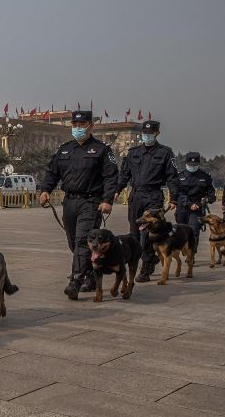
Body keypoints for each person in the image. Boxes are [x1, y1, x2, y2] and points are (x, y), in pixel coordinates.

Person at [39, 110, 118, 300]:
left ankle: (75, 281)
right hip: (70, 202)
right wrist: (45, 190)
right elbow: (52, 173)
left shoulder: (102, 150)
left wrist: (107, 200)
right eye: (74, 125)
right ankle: (90, 274)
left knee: (83, 241)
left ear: (91, 126)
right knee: (73, 241)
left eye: (81, 125)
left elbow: (111, 176)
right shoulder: (64, 149)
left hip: (91, 202)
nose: (77, 128)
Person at [115, 120, 179, 282]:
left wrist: (174, 198)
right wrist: (116, 190)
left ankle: (147, 265)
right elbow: (124, 175)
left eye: (150, 133)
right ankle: (144, 259)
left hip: (153, 196)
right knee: (135, 233)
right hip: (136, 195)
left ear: (157, 134)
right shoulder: (133, 152)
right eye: (145, 133)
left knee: (148, 234)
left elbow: (172, 177)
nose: (147, 136)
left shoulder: (165, 153)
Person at [175, 152, 216, 253]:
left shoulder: (205, 176)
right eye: (190, 165)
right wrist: (189, 204)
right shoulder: (179, 177)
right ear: (186, 163)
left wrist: (206, 200)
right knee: (182, 231)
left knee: (194, 231)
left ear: (198, 164)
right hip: (183, 208)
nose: (192, 167)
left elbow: (211, 194)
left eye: (194, 165)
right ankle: (184, 250)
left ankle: (191, 253)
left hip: (197, 209)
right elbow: (177, 194)